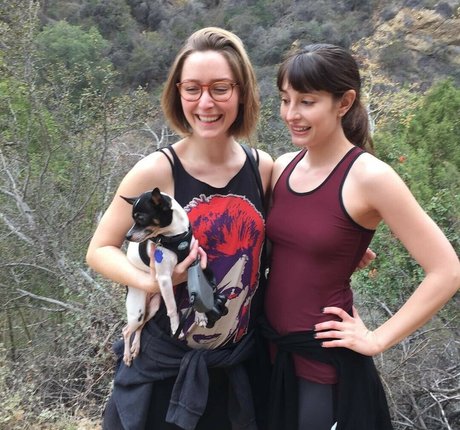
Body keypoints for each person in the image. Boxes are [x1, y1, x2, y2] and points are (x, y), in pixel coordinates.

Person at [262, 43, 460, 430]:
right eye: (285, 100)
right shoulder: (283, 167)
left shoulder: (371, 177)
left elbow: (447, 271)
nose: (291, 114)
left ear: (344, 102)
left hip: (321, 366)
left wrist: (378, 339)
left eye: (307, 102)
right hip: (267, 352)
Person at [86, 27, 273, 429]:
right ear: (178, 93)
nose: (205, 102)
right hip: (162, 379)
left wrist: (338, 248)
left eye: (220, 88)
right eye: (192, 89)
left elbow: (282, 239)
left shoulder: (262, 169)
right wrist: (154, 282)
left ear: (241, 92)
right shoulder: (156, 171)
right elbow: (99, 249)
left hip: (236, 372)